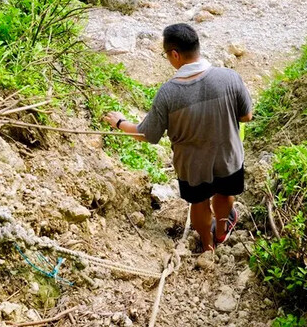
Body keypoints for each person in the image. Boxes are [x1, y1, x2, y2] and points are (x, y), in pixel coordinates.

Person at [103, 23, 252, 252]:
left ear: (175, 54)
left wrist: (120, 123)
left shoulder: (168, 93)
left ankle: (207, 244)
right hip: (228, 156)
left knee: (200, 202)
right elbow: (247, 116)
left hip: (193, 167)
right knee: (224, 194)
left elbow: (148, 134)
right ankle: (221, 232)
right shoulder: (230, 78)